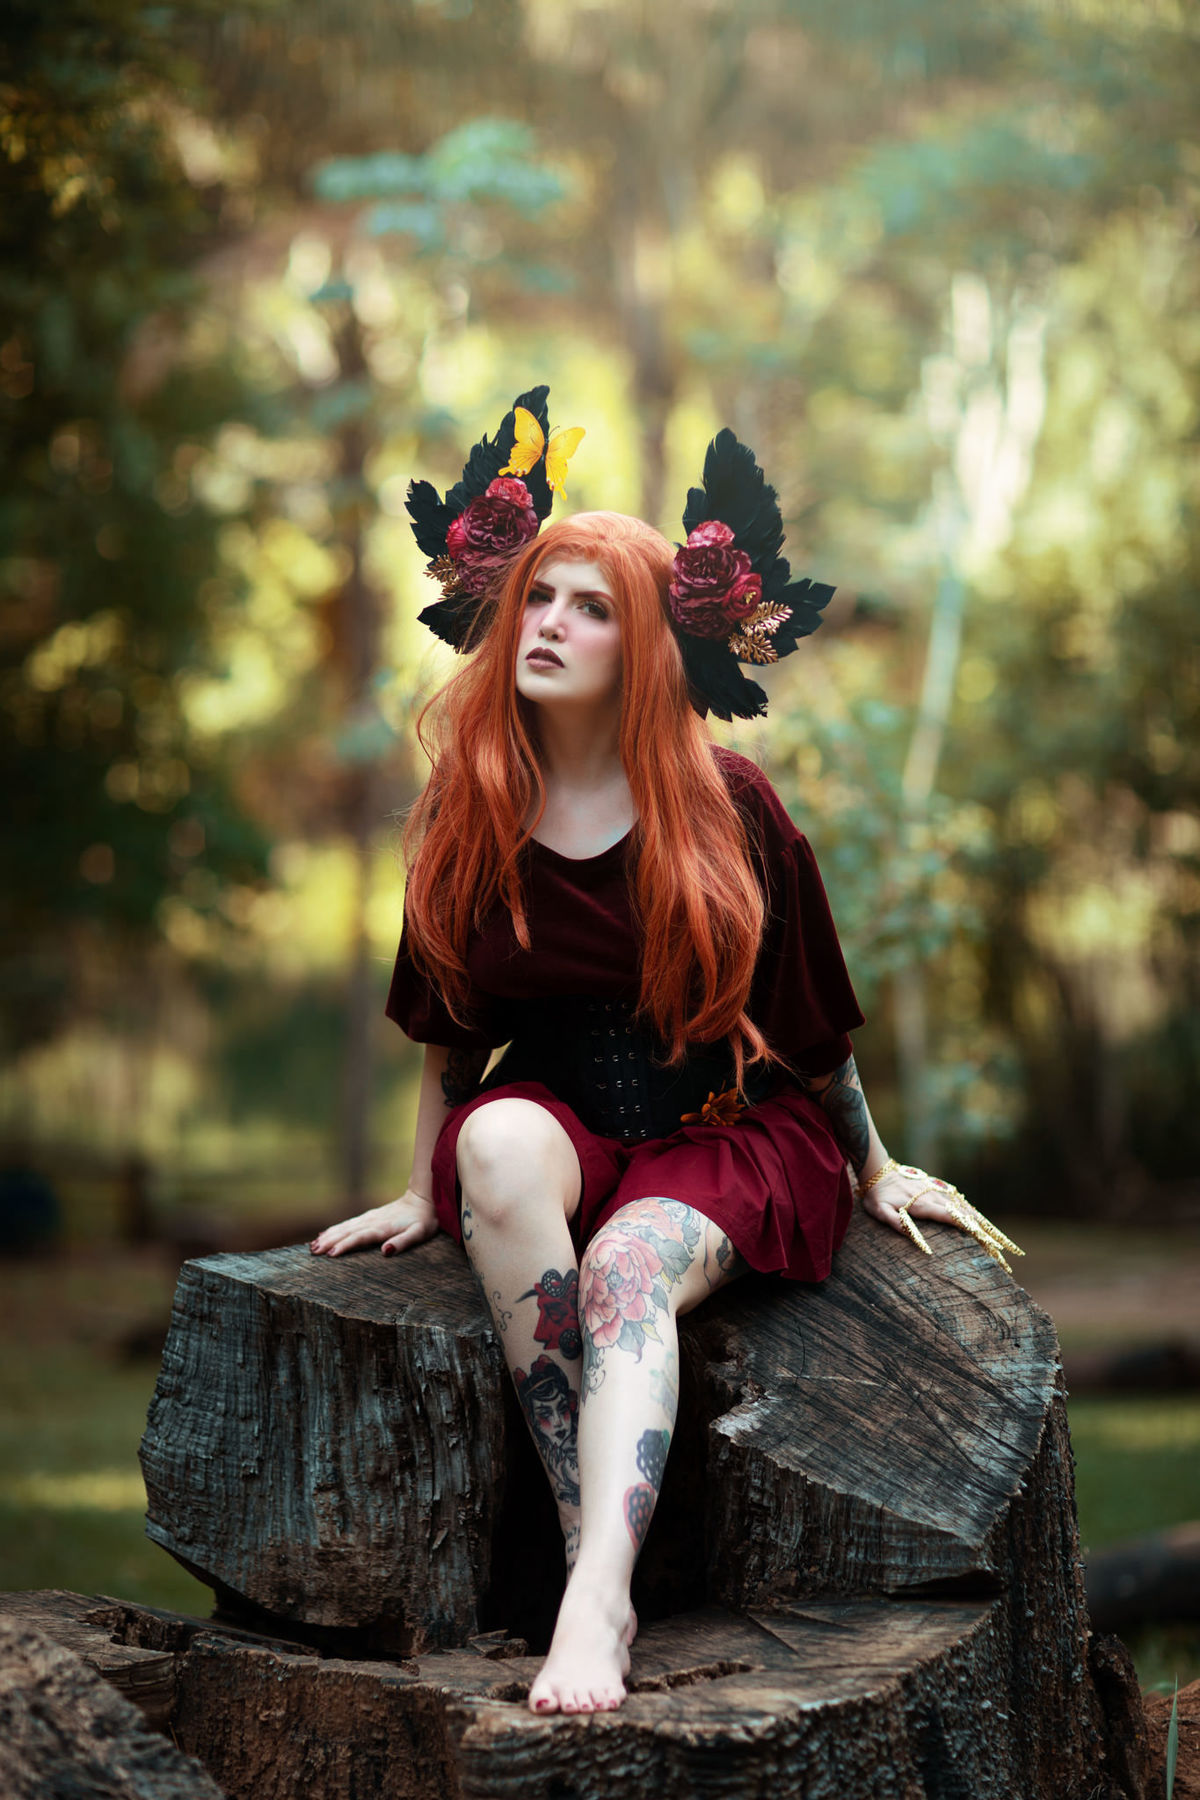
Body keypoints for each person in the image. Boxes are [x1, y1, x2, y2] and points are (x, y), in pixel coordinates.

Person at [311, 391, 1020, 1716]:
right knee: (495, 1144)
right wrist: (424, 1191)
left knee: (631, 1261)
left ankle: (595, 1597)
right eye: (537, 599)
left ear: (641, 645)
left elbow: (814, 1023)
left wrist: (874, 1165)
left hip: (728, 1127)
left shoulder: (729, 804)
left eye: (588, 607)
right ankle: (599, 1550)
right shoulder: (472, 807)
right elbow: (451, 1035)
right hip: (565, 1115)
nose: (549, 626)